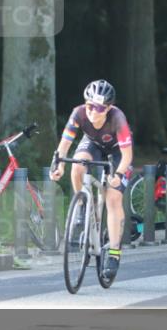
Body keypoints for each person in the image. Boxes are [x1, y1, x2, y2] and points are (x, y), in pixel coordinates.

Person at [50, 79, 133, 281]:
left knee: (113, 198)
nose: (93, 112)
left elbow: (127, 156)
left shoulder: (118, 118)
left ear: (109, 108)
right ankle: (83, 205)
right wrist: (58, 164)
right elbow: (65, 143)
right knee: (77, 166)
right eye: (90, 106)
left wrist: (119, 175)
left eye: (100, 108)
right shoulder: (78, 113)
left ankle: (114, 253)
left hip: (117, 152)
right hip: (93, 143)